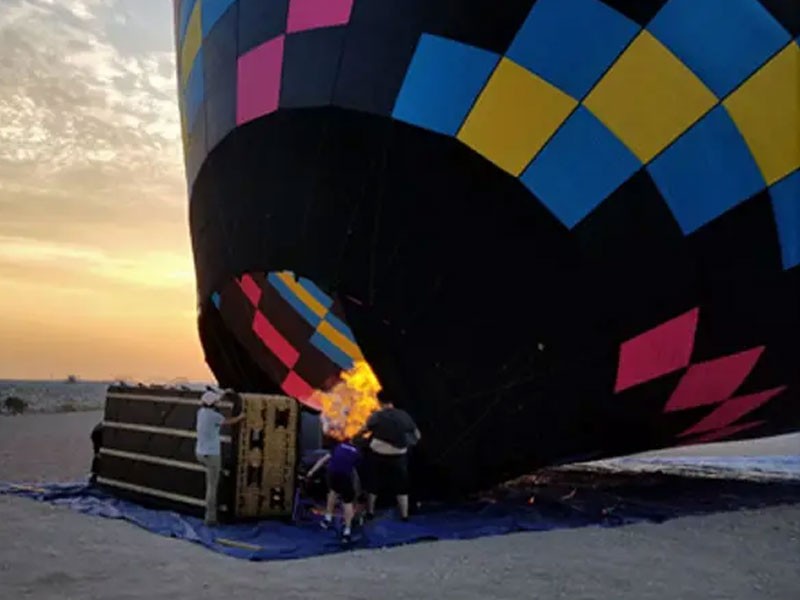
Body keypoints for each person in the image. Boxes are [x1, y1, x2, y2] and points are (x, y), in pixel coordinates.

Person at [359, 392, 421, 521]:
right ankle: (404, 515)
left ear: (379, 402)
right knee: (402, 486)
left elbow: (363, 430)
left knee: (373, 484)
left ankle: (370, 512)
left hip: (378, 455)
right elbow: (417, 435)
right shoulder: (404, 415)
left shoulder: (376, 416)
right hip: (399, 457)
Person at [195, 389, 244, 526]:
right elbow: (229, 421)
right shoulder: (214, 416)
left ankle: (210, 515)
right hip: (212, 455)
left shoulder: (201, 413)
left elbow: (213, 402)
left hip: (200, 452)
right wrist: (241, 417)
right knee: (212, 486)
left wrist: (223, 394)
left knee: (210, 481)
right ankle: (210, 519)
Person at [304, 438, 362, 543]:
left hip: (332, 473)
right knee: (347, 501)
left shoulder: (338, 446)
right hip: (344, 475)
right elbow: (357, 471)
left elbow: (323, 460)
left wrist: (311, 472)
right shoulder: (358, 452)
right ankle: (347, 531)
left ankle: (327, 518)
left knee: (332, 492)